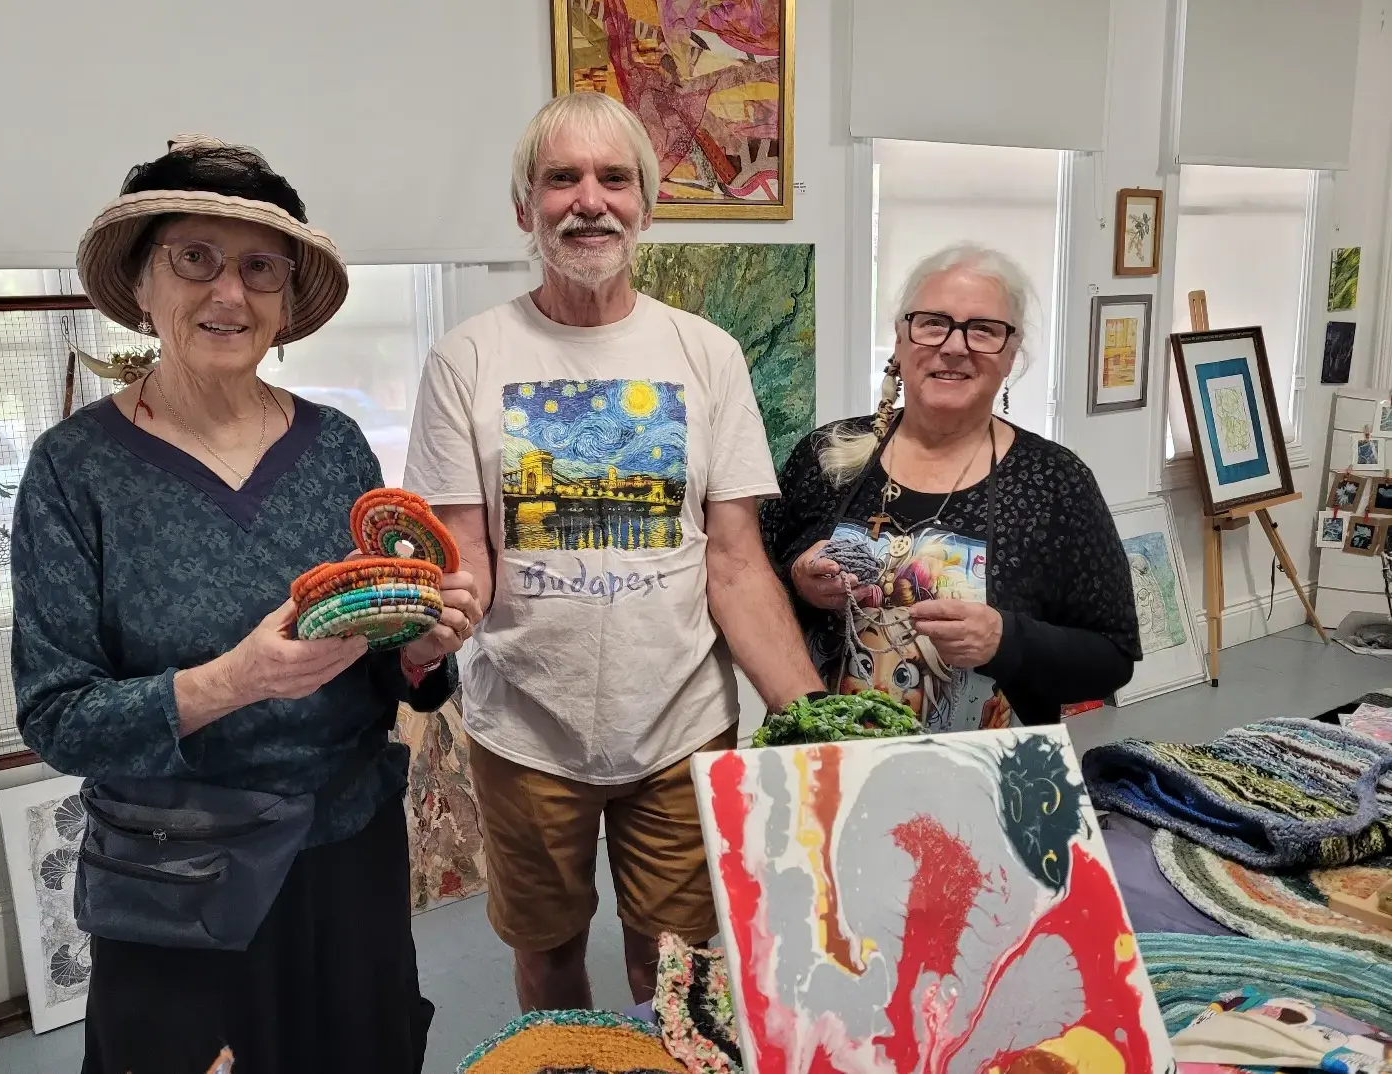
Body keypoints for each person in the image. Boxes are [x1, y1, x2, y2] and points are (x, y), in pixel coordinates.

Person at [11, 135, 480, 1074]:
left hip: (348, 854)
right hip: (180, 876)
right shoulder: (76, 470)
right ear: (143, 286)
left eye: (259, 269)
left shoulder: (336, 444)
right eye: (196, 259)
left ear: (285, 304)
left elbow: (384, 655)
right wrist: (231, 681)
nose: (230, 293)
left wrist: (423, 649)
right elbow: (56, 716)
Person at [402, 92, 823, 1012]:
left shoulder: (706, 354)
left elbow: (738, 563)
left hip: (679, 722)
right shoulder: (468, 359)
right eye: (561, 178)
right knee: (549, 963)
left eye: (612, 177)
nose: (588, 199)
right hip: (525, 729)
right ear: (525, 208)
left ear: (647, 202)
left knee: (670, 972)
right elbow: (463, 558)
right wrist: (419, 632)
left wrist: (817, 721)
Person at [763, 244, 1139, 732]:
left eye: (983, 329)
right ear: (900, 339)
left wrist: (1008, 641)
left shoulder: (1055, 483)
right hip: (821, 765)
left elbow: (1113, 659)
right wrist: (798, 577)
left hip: (986, 784)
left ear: (1010, 355)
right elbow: (749, 585)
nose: (955, 346)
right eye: (933, 322)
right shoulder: (827, 455)